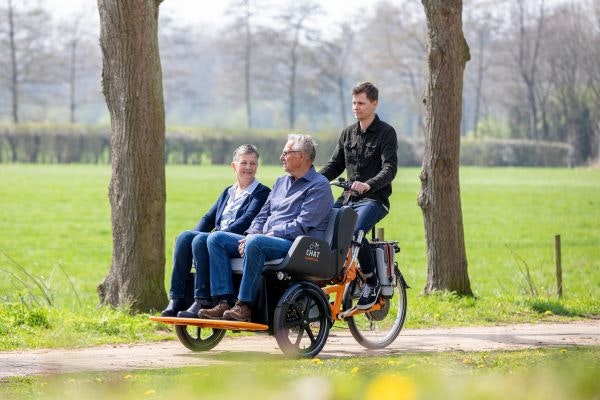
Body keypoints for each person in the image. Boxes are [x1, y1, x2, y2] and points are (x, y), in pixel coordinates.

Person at [199, 134, 334, 322]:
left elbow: (303, 224)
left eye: (286, 153)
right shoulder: (280, 182)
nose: (282, 157)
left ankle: (244, 305)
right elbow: (263, 214)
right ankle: (224, 301)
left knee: (256, 242)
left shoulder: (319, 186)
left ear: (302, 156)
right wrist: (251, 234)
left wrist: (269, 233)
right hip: (266, 239)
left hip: (297, 245)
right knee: (216, 239)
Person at [160, 144, 270, 317]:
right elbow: (208, 218)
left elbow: (246, 220)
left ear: (257, 166)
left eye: (253, 163)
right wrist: (193, 235)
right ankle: (177, 298)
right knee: (185, 237)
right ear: (234, 166)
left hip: (238, 240)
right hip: (217, 238)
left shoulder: (261, 193)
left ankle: (202, 300)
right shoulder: (228, 192)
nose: (248, 167)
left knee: (200, 240)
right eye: (244, 163)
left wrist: (212, 236)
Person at [319, 81, 398, 310]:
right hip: (347, 199)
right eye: (354, 103)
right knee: (322, 229)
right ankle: (326, 284)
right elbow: (335, 165)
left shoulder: (386, 133)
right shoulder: (348, 133)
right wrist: (311, 181)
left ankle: (371, 282)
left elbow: (389, 169)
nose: (356, 107)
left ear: (374, 104)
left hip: (374, 200)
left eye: (361, 103)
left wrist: (369, 185)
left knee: (354, 232)